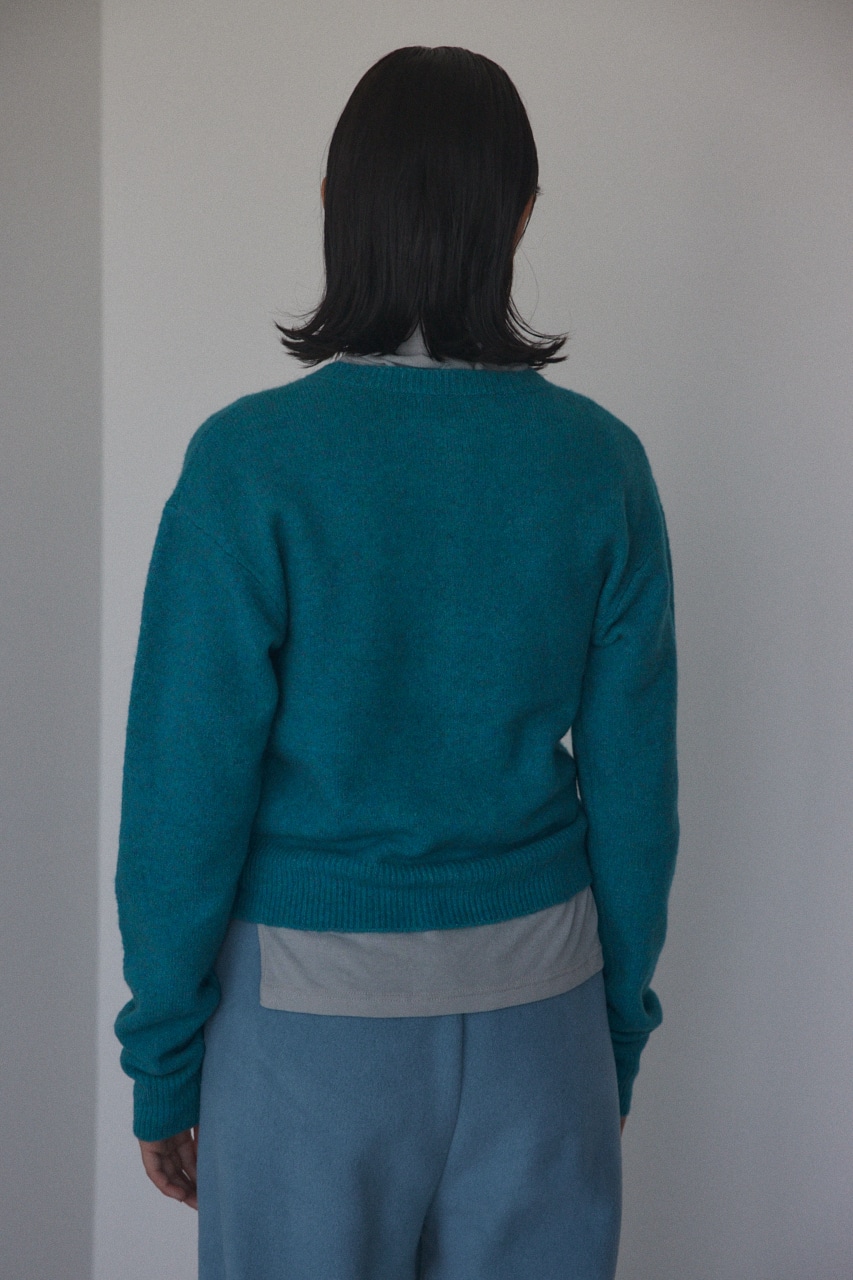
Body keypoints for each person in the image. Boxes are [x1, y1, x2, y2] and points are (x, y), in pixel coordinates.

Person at [114, 44, 679, 1280]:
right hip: (543, 1013)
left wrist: (163, 1055)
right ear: (518, 215)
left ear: (335, 204)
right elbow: (637, 796)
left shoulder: (250, 463)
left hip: (306, 1028)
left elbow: (181, 793)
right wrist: (611, 1032)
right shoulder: (601, 465)